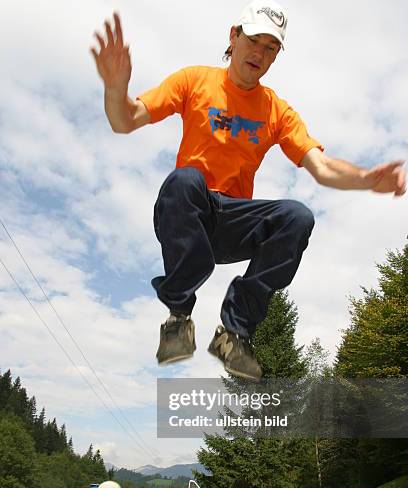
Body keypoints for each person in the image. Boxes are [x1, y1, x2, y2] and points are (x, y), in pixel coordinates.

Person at [91, 1, 406, 381]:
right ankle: (178, 317)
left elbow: (320, 168)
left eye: (270, 48)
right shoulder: (194, 80)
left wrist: (365, 179)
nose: (259, 53)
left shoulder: (275, 109)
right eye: (253, 41)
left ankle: (234, 333)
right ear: (233, 37)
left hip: (233, 225)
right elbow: (124, 120)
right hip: (191, 214)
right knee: (186, 179)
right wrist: (115, 87)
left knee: (297, 216)